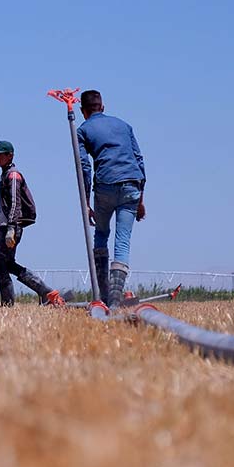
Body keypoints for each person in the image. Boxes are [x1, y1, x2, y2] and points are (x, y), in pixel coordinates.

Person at [77, 90, 146, 307]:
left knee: (101, 234)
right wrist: (140, 198)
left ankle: (104, 296)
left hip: (105, 187)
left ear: (83, 111)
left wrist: (86, 202)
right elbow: (139, 160)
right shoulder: (124, 126)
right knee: (122, 243)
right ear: (103, 107)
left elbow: (84, 168)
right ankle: (115, 302)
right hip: (132, 185)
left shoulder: (82, 130)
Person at [0, 140, 64, 308]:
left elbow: (15, 204)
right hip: (8, 225)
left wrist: (11, 228)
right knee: (6, 264)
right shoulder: (5, 174)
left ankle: (8, 305)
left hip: (11, 227)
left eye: (0, 155)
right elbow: (5, 208)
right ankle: (45, 291)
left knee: (0, 264)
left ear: (10, 155)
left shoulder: (13, 176)